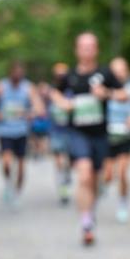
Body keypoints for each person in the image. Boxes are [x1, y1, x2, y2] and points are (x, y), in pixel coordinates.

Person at [51, 33, 122, 245]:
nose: (87, 50)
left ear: (97, 49)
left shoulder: (105, 72)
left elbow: (124, 94)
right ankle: (86, 222)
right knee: (83, 175)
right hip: (77, 133)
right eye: (83, 46)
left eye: (91, 46)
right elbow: (54, 93)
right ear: (77, 50)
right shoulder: (70, 75)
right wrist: (63, 102)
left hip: (100, 134)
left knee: (97, 181)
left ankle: (90, 209)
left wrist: (106, 94)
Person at [0, 62, 45, 207]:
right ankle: (8, 183)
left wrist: (31, 113)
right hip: (5, 130)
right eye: (15, 73)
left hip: (21, 130)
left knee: (21, 166)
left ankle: (17, 192)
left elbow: (39, 107)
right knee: (7, 162)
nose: (17, 76)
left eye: (20, 73)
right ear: (10, 73)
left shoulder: (28, 88)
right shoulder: (0, 87)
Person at [102, 57, 130, 224]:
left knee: (123, 173)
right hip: (107, 138)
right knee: (108, 176)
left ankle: (123, 204)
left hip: (125, 137)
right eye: (115, 71)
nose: (118, 74)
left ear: (127, 72)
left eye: (121, 70)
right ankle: (101, 186)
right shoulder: (102, 90)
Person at [48, 63, 73, 205]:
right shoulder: (52, 91)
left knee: (68, 162)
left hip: (69, 131)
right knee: (59, 160)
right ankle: (62, 185)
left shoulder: (72, 91)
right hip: (56, 132)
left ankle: (66, 179)